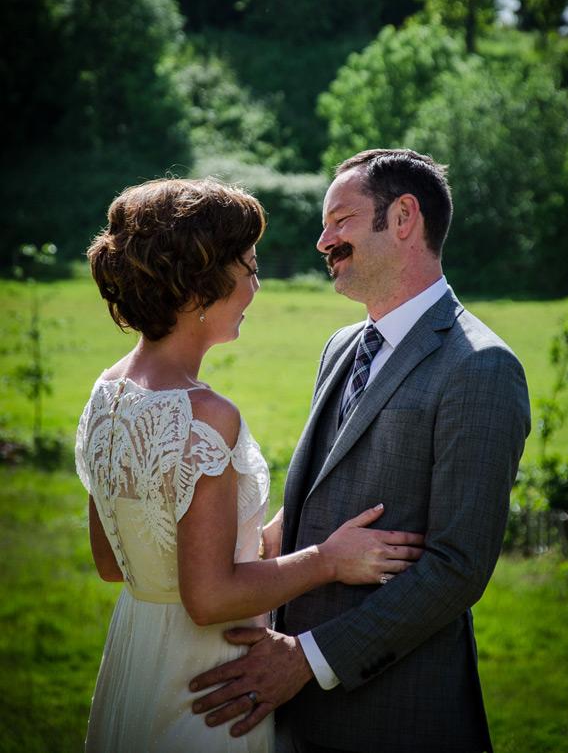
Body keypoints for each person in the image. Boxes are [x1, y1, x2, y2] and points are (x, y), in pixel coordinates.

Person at [189, 149, 531, 753]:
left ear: (403, 218)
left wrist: (307, 659)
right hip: (287, 712)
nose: (323, 241)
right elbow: (323, 495)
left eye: (340, 220)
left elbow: (457, 569)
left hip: (395, 717)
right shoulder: (341, 346)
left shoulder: (481, 368)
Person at [76, 176, 425, 753]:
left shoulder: (107, 394)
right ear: (200, 284)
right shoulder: (206, 416)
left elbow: (117, 562)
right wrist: (327, 561)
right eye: (249, 268)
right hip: (207, 681)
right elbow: (209, 597)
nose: (255, 287)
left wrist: (263, 536)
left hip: (138, 660)